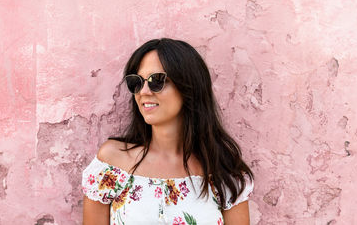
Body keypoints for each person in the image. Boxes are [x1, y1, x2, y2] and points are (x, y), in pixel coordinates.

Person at [82, 38, 254, 225]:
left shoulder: (223, 171)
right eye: (137, 82)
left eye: (157, 81)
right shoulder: (112, 165)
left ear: (188, 86)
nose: (144, 91)